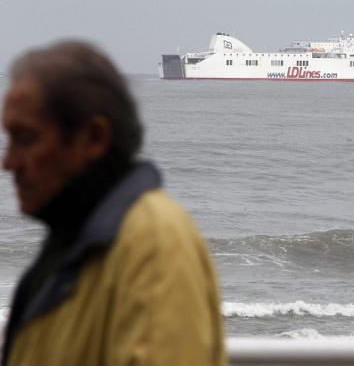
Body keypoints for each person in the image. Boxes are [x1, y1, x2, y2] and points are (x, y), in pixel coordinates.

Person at [1, 41, 225, 365]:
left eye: (25, 139)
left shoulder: (152, 242)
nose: (8, 162)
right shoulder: (75, 245)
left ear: (93, 137)